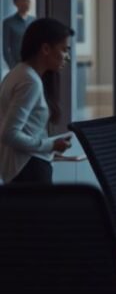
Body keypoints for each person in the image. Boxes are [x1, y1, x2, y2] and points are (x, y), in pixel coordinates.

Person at [0, 18, 75, 184]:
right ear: (46, 48)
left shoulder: (17, 73)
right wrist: (50, 145)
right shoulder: (30, 81)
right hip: (29, 171)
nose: (67, 57)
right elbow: (9, 134)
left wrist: (49, 149)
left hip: (19, 169)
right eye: (64, 49)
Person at [3, 0, 35, 72]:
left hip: (33, 63)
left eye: (28, 1)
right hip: (17, 64)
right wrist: (12, 66)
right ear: (16, 3)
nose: (27, 3)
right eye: (24, 0)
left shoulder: (34, 21)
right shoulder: (8, 22)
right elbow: (6, 48)